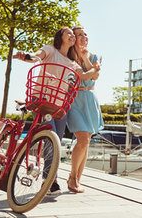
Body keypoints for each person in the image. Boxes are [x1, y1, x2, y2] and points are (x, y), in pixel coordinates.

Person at [14, 27, 99, 194]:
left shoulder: (73, 63)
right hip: (41, 99)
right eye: (69, 33)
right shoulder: (50, 49)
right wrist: (26, 56)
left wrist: (95, 70)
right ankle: (51, 179)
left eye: (73, 34)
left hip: (59, 105)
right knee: (50, 136)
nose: (73, 36)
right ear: (60, 36)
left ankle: (49, 177)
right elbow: (36, 56)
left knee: (56, 142)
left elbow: (86, 76)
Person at [66, 26, 104, 193]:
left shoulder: (95, 57)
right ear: (73, 38)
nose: (84, 37)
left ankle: (77, 179)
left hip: (90, 99)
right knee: (82, 138)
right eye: (79, 34)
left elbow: (94, 76)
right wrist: (90, 66)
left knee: (86, 141)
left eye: (85, 34)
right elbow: (90, 73)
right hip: (74, 100)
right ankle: (72, 177)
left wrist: (85, 57)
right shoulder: (68, 56)